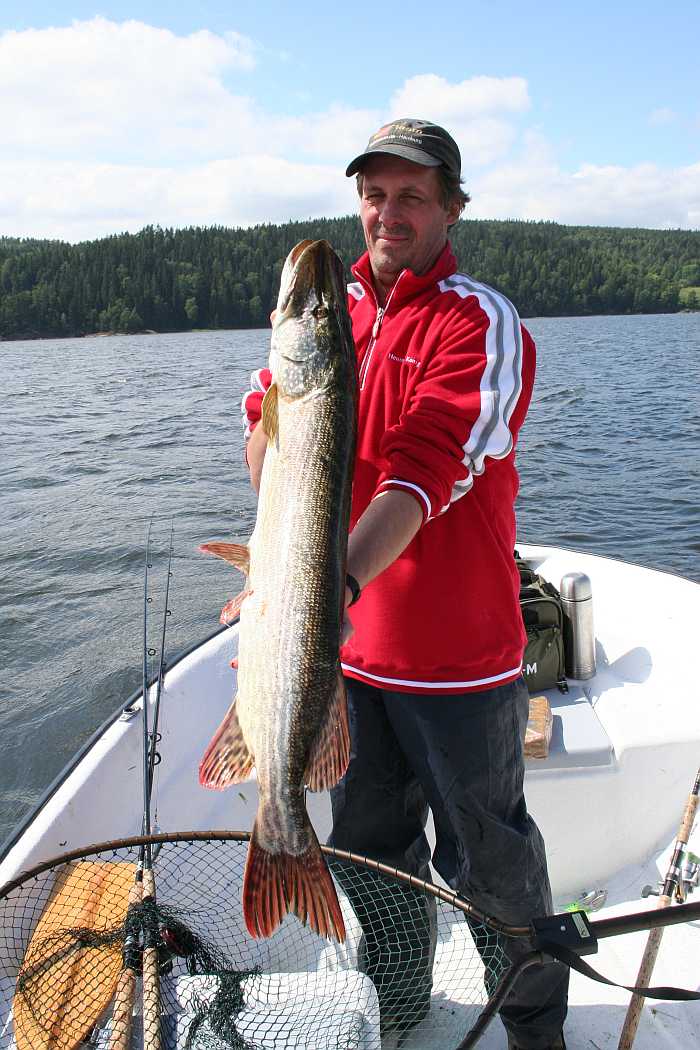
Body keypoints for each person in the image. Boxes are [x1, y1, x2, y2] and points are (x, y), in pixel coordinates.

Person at [243, 118, 568, 1050]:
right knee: (378, 860)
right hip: (347, 662)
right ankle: (396, 1012)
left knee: (492, 869)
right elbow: (267, 469)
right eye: (375, 194)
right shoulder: (323, 324)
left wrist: (325, 585)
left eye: (413, 197)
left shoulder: (476, 320)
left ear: (450, 210)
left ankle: (537, 1030)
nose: (389, 213)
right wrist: (272, 427)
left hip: (457, 667)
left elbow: (425, 475)